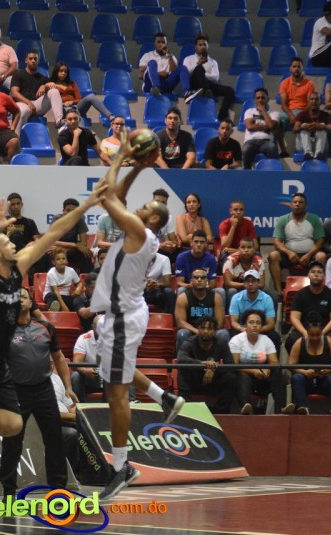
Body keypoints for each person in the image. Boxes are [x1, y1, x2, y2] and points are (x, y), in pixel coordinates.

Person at [0, 186, 106, 524]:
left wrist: (87, 204)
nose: (14, 243)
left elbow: (55, 233)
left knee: (13, 425)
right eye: (7, 242)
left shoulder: (18, 269)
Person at [88, 130, 184, 501]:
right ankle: (164, 398)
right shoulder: (142, 232)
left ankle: (121, 467)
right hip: (124, 314)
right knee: (116, 370)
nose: (139, 207)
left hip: (124, 318)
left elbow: (106, 196)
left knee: (116, 394)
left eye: (145, 207)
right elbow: (120, 197)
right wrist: (139, 167)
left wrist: (119, 158)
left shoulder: (139, 233)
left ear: (152, 217)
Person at [0, 287, 76, 497]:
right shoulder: (4, 330)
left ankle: (58, 490)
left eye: (24, 296)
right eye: (16, 297)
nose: (20, 300)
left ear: (31, 302)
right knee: (13, 442)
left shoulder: (46, 327)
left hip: (44, 390)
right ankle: (8, 492)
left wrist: (68, 387)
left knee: (54, 440)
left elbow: (59, 358)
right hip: (16, 392)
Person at [283, 312, 331, 415]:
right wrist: (305, 372)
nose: (315, 338)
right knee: (297, 377)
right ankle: (302, 408)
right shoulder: (299, 343)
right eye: (312, 335)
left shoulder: (330, 342)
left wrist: (326, 371)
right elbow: (291, 365)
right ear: (307, 332)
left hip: (324, 381)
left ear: (322, 331)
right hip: (307, 381)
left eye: (318, 335)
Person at [176, 316, 237, 414]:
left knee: (231, 377)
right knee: (182, 371)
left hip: (213, 381)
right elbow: (181, 359)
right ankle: (186, 408)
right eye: (202, 328)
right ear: (198, 329)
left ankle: (221, 412)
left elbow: (230, 365)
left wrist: (213, 369)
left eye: (209, 328)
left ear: (215, 331)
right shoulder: (190, 342)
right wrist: (203, 364)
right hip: (195, 381)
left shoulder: (221, 343)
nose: (205, 331)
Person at [268, 192, 325, 294]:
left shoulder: (314, 219)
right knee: (273, 255)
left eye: (300, 202)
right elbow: (277, 241)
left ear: (306, 206)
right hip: (289, 256)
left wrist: (309, 255)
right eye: (295, 202)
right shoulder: (283, 219)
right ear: (290, 205)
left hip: (309, 255)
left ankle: (319, 291)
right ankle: (279, 292)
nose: (297, 204)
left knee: (321, 256)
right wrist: (289, 253)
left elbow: (320, 240)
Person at [229, 309, 281, 415]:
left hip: (262, 377)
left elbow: (274, 362)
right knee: (242, 376)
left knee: (277, 373)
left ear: (261, 326)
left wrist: (268, 369)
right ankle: (246, 407)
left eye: (258, 323)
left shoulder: (266, 340)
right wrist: (253, 371)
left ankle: (282, 409)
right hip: (244, 376)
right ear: (245, 325)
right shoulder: (237, 340)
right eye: (251, 322)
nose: (255, 325)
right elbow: (234, 365)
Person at [285, 260, 331, 354]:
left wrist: (321, 333)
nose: (316, 274)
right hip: (304, 330)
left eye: (319, 272)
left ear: (324, 276)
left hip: (325, 330)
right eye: (313, 272)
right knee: (291, 339)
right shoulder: (300, 294)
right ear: (308, 275)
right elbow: (294, 318)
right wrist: (305, 333)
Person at [174, 268, 230, 352]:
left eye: (202, 277)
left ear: (207, 281)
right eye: (196, 277)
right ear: (191, 281)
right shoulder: (182, 298)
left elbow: (220, 323)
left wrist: (208, 332)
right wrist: (198, 331)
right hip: (192, 331)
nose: (199, 280)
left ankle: (221, 359)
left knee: (223, 333)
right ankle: (182, 359)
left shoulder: (216, 297)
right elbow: (181, 323)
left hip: (211, 331)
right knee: (182, 333)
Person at [181, 33, 234, 120]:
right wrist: (198, 64)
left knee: (230, 91)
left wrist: (203, 76)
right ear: (195, 47)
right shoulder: (188, 59)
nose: (203, 47)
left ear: (208, 46)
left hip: (208, 84)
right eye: (200, 45)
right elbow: (186, 73)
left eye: (204, 44)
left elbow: (215, 77)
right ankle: (203, 91)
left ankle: (221, 116)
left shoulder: (213, 62)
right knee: (198, 68)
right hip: (194, 83)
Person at [11, 50, 64, 133]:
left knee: (54, 91)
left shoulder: (43, 78)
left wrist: (45, 86)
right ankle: (16, 138)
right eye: (30, 58)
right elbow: (14, 93)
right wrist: (28, 103)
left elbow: (54, 88)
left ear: (38, 61)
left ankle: (59, 121)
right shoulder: (18, 75)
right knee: (23, 111)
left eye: (35, 59)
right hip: (22, 104)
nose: (33, 61)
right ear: (26, 61)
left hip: (37, 106)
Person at [48, 61, 114, 125]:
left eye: (65, 71)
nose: (63, 73)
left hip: (76, 107)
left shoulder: (72, 83)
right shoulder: (52, 85)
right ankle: (80, 128)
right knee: (71, 112)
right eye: (61, 71)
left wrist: (71, 102)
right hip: (62, 109)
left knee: (91, 96)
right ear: (56, 72)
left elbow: (79, 99)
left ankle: (110, 116)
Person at [242, 87, 281, 169]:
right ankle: (247, 173)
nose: (260, 100)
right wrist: (266, 126)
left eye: (263, 98)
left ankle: (273, 173)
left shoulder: (274, 113)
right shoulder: (249, 111)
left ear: (268, 99)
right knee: (245, 149)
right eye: (258, 98)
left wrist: (263, 111)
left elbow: (271, 126)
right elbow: (249, 127)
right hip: (250, 141)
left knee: (272, 147)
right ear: (255, 100)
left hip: (267, 141)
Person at [139, 32, 186, 97]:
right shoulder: (147, 55)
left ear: (166, 44)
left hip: (165, 85)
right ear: (154, 44)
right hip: (150, 86)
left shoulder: (171, 57)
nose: (161, 44)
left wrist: (169, 55)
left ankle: (186, 92)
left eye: (163, 42)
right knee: (152, 62)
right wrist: (158, 74)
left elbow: (174, 71)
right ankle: (156, 88)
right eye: (158, 42)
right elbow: (141, 75)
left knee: (182, 68)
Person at [279, 57, 316, 137]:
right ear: (290, 69)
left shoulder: (309, 83)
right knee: (277, 120)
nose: (296, 69)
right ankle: (278, 143)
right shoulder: (284, 83)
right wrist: (291, 116)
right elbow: (283, 104)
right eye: (294, 66)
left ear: (302, 69)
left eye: (299, 67)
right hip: (289, 112)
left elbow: (310, 104)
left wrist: (299, 116)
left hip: (303, 111)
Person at [70, 315, 104, 402]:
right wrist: (85, 370)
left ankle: (132, 402)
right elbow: (76, 363)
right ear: (93, 327)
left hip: (110, 376)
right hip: (91, 376)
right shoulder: (84, 338)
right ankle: (79, 405)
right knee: (76, 376)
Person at [222, 236, 265, 305]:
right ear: (239, 249)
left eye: (249, 247)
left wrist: (250, 286)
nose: (246, 250)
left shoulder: (259, 262)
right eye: (243, 247)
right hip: (236, 288)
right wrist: (246, 285)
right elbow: (228, 283)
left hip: (253, 288)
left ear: (254, 250)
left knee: (269, 295)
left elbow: (262, 284)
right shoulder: (230, 260)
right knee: (232, 291)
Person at [294, 92, 331, 161]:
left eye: (316, 99)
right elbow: (295, 130)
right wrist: (303, 127)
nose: (314, 101)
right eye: (311, 99)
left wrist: (323, 127)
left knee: (322, 127)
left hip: (320, 145)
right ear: (308, 101)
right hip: (303, 146)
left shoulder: (326, 115)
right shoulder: (302, 114)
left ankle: (319, 153)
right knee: (303, 128)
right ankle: (308, 153)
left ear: (320, 102)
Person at [219, 199, 259, 266]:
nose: (238, 212)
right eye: (235, 210)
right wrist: (233, 227)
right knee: (224, 255)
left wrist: (239, 251)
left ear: (244, 211)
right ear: (231, 211)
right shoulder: (224, 224)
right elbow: (225, 246)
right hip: (230, 251)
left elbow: (255, 246)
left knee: (257, 254)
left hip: (245, 250)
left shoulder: (249, 223)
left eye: (241, 210)